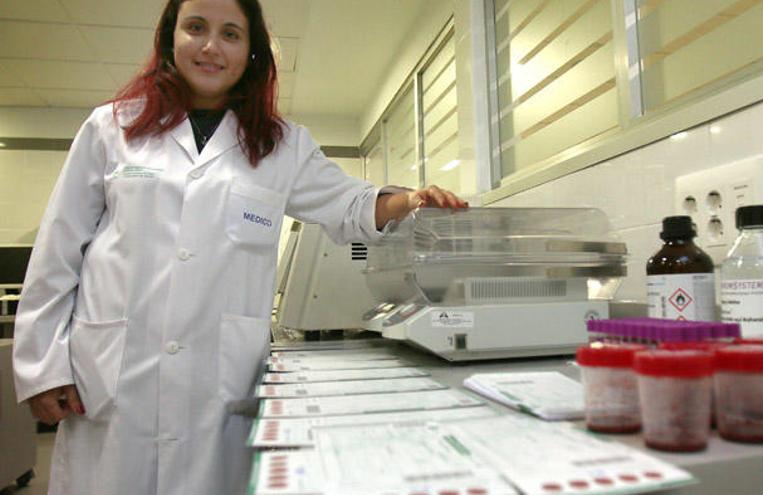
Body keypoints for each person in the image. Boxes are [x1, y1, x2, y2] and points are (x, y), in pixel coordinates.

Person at [11, 0, 467, 493]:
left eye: (231, 33)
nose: (211, 46)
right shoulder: (112, 127)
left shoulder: (282, 145)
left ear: (251, 52)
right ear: (170, 39)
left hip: (217, 387)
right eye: (196, 28)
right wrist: (42, 366)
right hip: (114, 377)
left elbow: (348, 203)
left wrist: (409, 201)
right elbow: (58, 250)